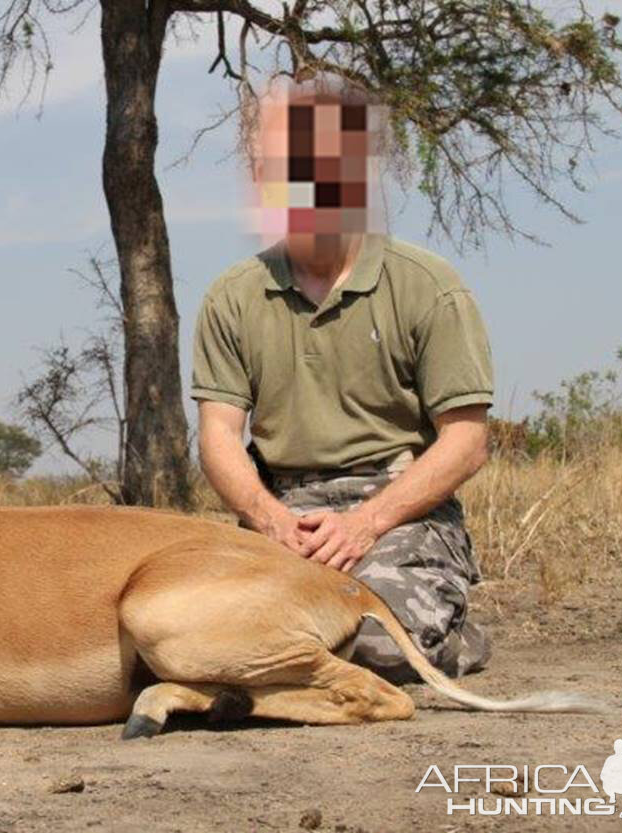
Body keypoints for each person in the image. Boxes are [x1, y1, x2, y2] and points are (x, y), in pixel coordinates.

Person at [191, 76, 492, 681]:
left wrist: (364, 525)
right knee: (196, 636)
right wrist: (270, 517)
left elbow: (467, 440)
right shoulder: (232, 296)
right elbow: (218, 438)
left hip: (398, 510)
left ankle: (449, 633)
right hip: (282, 514)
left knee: (371, 643)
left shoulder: (428, 286)